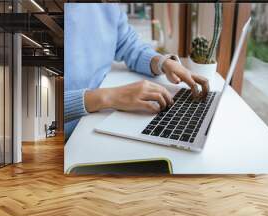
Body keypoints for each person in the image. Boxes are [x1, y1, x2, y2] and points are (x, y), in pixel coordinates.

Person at [64, 3, 209, 139]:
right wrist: (108, 96)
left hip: (99, 114)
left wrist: (162, 63)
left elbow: (128, 45)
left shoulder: (107, 6)